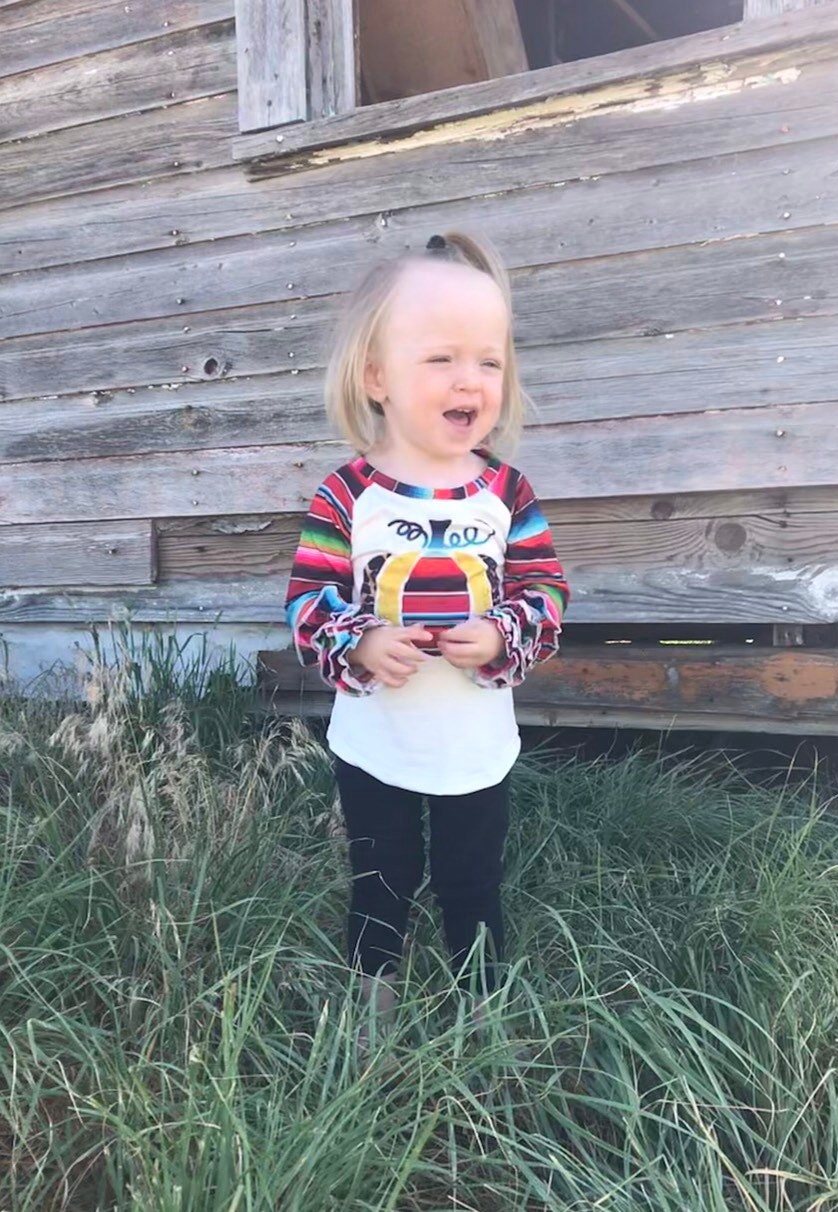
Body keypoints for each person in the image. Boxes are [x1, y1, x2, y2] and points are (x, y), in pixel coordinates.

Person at [284, 230, 569, 1043]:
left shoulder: (506, 494)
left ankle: (484, 1023)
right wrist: (361, 641)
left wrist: (503, 631)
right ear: (377, 375)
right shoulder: (348, 494)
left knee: (473, 883)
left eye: (489, 359)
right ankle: (368, 1029)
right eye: (442, 357)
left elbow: (545, 594)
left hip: (476, 742)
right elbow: (307, 600)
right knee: (382, 879)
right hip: (377, 739)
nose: (470, 380)